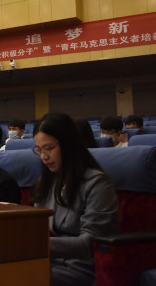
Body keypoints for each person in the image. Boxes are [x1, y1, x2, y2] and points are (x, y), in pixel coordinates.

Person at [33, 113, 118, 286]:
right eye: (39, 150)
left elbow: (89, 243)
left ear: (68, 145)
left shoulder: (97, 182)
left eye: (49, 148)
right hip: (47, 261)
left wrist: (35, 246)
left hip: (81, 268)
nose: (44, 156)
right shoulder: (47, 181)